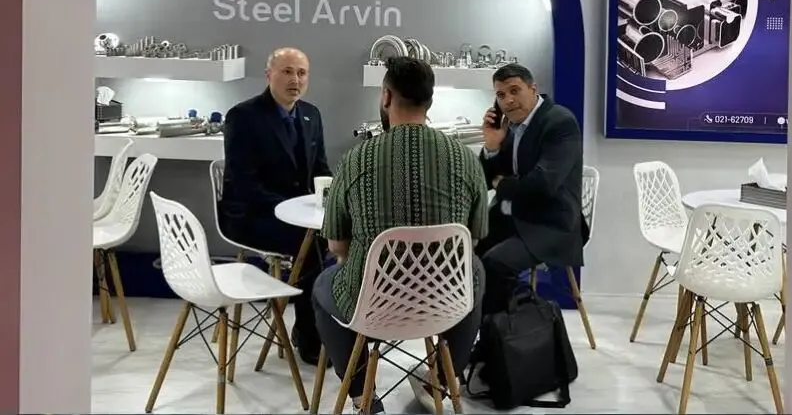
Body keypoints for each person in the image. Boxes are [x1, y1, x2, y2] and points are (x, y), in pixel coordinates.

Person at [314, 56, 488, 415]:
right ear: (430, 101)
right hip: (444, 301)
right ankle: (442, 380)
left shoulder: (356, 160)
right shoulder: (465, 160)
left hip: (370, 304)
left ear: (386, 96)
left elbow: (336, 245)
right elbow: (472, 239)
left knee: (322, 286)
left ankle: (362, 397)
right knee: (476, 273)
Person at [220, 47, 331, 365]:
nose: (295, 79)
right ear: (269, 75)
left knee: (338, 237)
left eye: (301, 73)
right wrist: (294, 210)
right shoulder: (243, 117)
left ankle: (332, 328)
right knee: (313, 246)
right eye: (287, 71)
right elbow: (245, 184)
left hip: (298, 217)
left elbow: (321, 170)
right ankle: (310, 337)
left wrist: (332, 202)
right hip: (252, 215)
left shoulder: (311, 114)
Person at [476, 63, 585, 317]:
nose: (508, 100)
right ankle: (480, 327)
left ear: (533, 89)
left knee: (495, 264)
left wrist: (502, 184)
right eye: (501, 95)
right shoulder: (509, 126)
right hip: (513, 217)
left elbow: (543, 184)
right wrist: (492, 147)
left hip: (550, 223)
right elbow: (484, 180)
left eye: (515, 91)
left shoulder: (559, 122)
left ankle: (505, 333)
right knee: (465, 254)